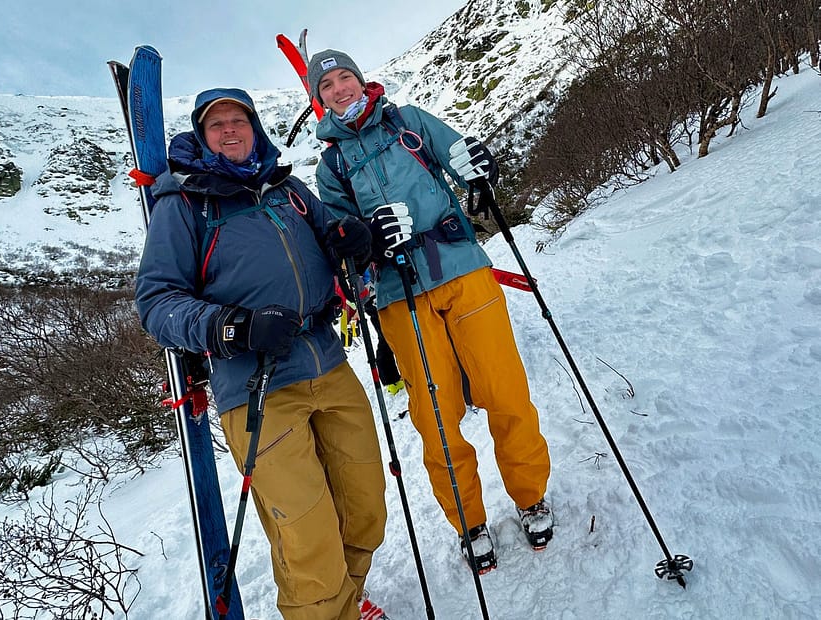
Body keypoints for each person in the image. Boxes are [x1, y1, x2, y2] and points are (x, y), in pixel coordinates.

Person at [135, 87, 389, 620]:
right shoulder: (183, 205)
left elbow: (333, 241)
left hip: (327, 360)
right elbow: (157, 304)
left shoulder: (288, 188)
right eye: (216, 125)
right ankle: (325, 606)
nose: (230, 130)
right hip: (255, 389)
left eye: (238, 120)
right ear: (201, 138)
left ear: (255, 128)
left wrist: (352, 242)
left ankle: (344, 599)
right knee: (307, 537)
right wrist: (233, 327)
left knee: (365, 510)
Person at [307, 50, 554, 573]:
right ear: (318, 97)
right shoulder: (331, 166)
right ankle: (469, 521)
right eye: (327, 84)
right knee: (435, 415)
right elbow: (340, 238)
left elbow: (460, 158)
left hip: (462, 268)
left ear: (360, 78)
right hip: (400, 295)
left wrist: (477, 166)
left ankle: (530, 494)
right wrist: (367, 238)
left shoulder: (410, 121)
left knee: (504, 389)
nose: (339, 88)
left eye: (344, 76)